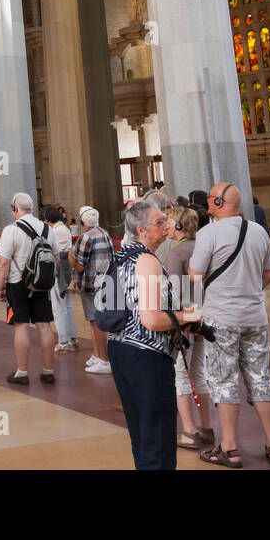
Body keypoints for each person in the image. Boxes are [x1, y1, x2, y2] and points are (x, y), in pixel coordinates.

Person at [191, 183, 270, 467]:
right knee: (260, 380)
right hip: (256, 317)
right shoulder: (257, 231)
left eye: (209, 198)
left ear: (218, 202)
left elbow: (195, 276)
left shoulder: (208, 233)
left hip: (221, 319)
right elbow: (268, 275)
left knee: (224, 381)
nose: (207, 202)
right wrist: (248, 291)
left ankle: (229, 448)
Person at [106, 199, 203, 470]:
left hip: (121, 348)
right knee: (157, 437)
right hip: (146, 356)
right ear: (141, 230)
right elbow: (151, 319)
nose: (166, 225)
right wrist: (186, 317)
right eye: (159, 222)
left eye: (165, 220)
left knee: (143, 435)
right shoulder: (146, 260)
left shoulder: (122, 256)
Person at [164, 207, 214, 449]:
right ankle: (206, 428)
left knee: (180, 378)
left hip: (185, 320)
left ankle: (188, 431)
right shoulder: (201, 248)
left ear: (179, 227)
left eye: (169, 222)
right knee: (199, 375)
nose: (166, 226)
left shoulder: (177, 253)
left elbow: (174, 291)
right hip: (203, 318)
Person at [0, 193, 56, 385]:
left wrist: (0, 287)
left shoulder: (11, 230)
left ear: (15, 209)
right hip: (41, 284)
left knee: (21, 325)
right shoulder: (47, 229)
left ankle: (22, 373)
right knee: (44, 325)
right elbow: (56, 258)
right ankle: (48, 371)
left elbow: (4, 262)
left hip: (17, 283)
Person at [71, 205, 114, 373]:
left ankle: (104, 360)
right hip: (107, 280)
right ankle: (97, 355)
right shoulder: (105, 233)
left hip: (91, 284)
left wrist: (70, 257)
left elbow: (80, 266)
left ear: (82, 221)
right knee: (95, 320)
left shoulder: (86, 237)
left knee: (96, 322)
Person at [44, 205, 80, 353]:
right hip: (66, 269)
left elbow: (53, 252)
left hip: (58, 270)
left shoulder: (56, 231)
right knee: (67, 307)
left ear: (47, 219)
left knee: (58, 308)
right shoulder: (63, 228)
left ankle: (63, 341)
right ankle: (72, 339)